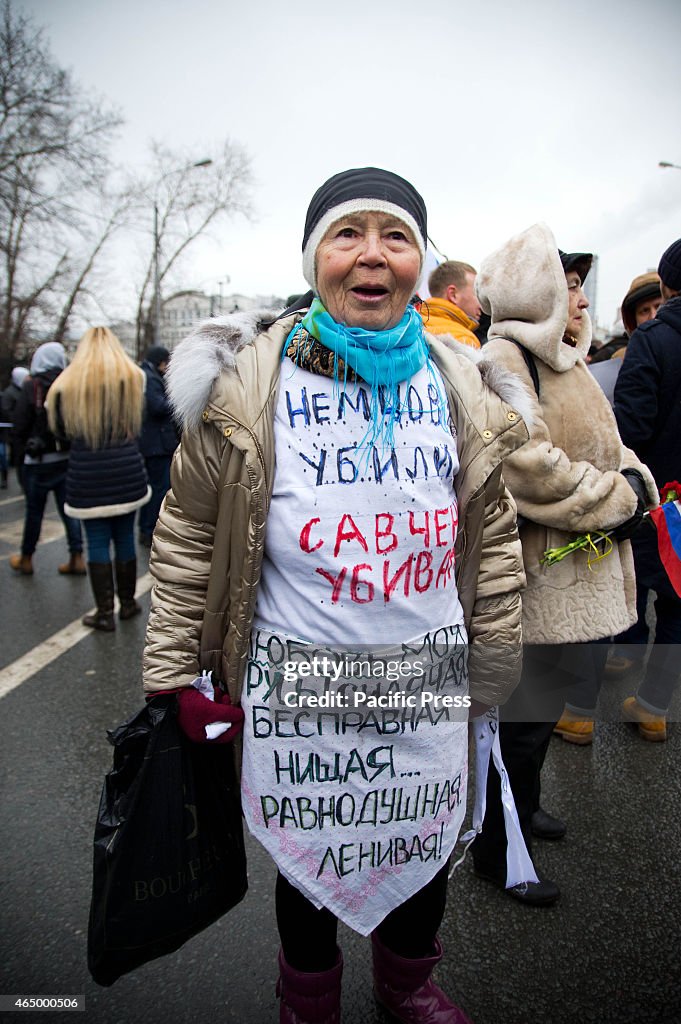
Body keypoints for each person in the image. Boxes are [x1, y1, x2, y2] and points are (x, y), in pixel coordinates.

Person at [142, 167, 533, 1024]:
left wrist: (495, 669)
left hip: (426, 686)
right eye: (345, 234)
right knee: (310, 861)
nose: (370, 256)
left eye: (393, 236)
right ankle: (306, 997)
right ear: (314, 256)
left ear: (417, 263)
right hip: (300, 692)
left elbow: (493, 538)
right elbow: (188, 537)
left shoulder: (458, 383)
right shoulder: (249, 385)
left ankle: (407, 985)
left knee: (421, 849)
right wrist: (174, 673)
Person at [471, 224, 657, 905]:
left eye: (580, 284)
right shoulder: (501, 358)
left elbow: (612, 446)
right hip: (538, 581)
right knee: (518, 728)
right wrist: (617, 500)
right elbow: (523, 465)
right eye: (567, 283)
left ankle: (524, 811)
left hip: (579, 574)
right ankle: (497, 851)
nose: (579, 298)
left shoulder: (566, 360)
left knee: (540, 720)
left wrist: (638, 483)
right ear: (534, 289)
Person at [611, 238, 681, 738]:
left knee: (617, 590)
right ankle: (654, 708)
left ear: (668, 286)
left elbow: (630, 428)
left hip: (653, 499)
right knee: (678, 607)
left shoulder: (652, 341)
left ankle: (573, 712)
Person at [47, 327, 150, 631]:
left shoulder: (69, 383)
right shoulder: (131, 377)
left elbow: (60, 430)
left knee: (97, 542)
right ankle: (128, 603)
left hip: (87, 472)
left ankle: (105, 612)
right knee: (124, 537)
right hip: (126, 469)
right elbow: (140, 422)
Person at [9, 343, 85, 576]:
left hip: (38, 461)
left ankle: (27, 557)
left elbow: (19, 424)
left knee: (34, 512)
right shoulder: (68, 384)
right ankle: (77, 556)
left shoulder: (32, 385)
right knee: (68, 511)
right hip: (65, 458)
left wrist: (23, 449)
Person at [589, 272, 662, 406]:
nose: (653, 316)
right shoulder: (620, 362)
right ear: (633, 321)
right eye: (644, 311)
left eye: (659, 306)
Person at [137, 345, 179, 547]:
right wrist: (178, 398)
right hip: (157, 445)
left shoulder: (148, 376)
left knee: (156, 487)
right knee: (158, 488)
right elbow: (158, 406)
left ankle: (147, 527)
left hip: (156, 443)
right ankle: (148, 529)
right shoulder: (151, 378)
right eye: (165, 362)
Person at [420, 261, 481, 349]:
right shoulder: (465, 339)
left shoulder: (409, 324)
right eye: (476, 293)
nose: (482, 304)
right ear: (453, 295)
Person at [1, 366, 29, 488]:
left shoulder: (24, 391)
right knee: (16, 458)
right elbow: (7, 412)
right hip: (13, 433)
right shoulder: (9, 394)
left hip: (23, 431)